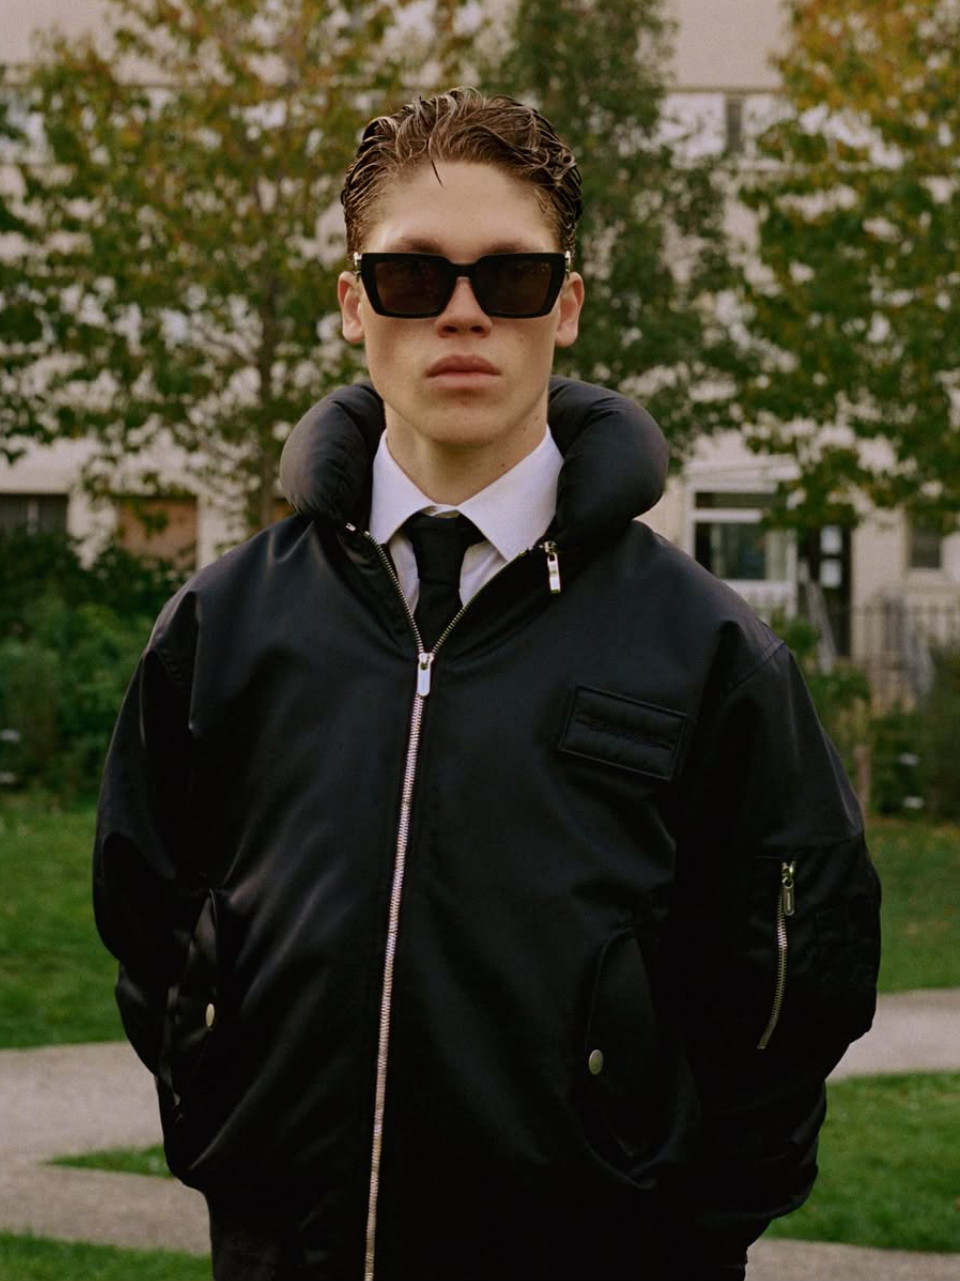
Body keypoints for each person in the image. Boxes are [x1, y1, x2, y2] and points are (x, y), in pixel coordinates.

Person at [94, 88, 881, 1281]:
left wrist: (681, 1227)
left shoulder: (707, 650)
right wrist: (226, 1129)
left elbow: (793, 986)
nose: (462, 313)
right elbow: (148, 927)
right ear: (353, 304)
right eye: (413, 277)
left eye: (510, 278)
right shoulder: (223, 625)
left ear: (565, 307)